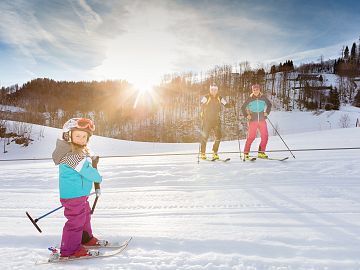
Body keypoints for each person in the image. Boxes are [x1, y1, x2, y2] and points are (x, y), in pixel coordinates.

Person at [52, 118, 103, 258]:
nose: (81, 139)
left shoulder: (77, 152)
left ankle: (85, 238)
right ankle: (70, 250)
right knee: (75, 222)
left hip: (80, 195)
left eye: (84, 136)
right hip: (73, 196)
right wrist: (98, 177)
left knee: (85, 216)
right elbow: (86, 171)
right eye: (78, 135)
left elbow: (86, 162)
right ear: (68, 136)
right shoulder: (70, 155)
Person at [200, 84, 234, 160]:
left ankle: (215, 152)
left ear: (217, 90)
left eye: (215, 89)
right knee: (205, 136)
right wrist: (203, 105)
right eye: (212, 89)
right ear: (210, 90)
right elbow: (201, 103)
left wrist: (231, 104)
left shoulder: (220, 97)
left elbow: (226, 105)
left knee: (218, 136)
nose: (213, 91)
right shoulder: (207, 97)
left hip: (216, 120)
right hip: (207, 120)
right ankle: (202, 153)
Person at [241, 84, 272, 159]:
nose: (255, 91)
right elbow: (243, 107)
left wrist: (267, 112)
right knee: (251, 137)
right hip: (253, 120)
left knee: (265, 137)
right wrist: (246, 115)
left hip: (262, 120)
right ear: (252, 91)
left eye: (257, 89)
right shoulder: (250, 99)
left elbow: (269, 105)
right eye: (254, 90)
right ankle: (246, 153)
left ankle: (261, 153)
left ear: (259, 90)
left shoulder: (263, 98)